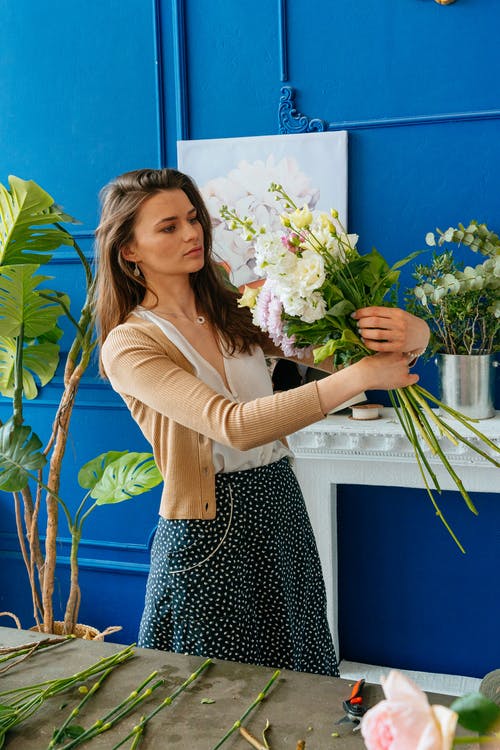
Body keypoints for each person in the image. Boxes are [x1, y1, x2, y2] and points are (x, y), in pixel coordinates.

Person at [95, 168, 429, 678]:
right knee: (215, 696)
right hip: (208, 531)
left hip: (278, 503)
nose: (191, 234)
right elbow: (233, 425)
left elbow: (344, 356)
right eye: (168, 227)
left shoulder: (236, 310)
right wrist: (362, 374)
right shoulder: (130, 345)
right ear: (129, 251)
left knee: (298, 678)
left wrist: (416, 333)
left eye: (192, 219)